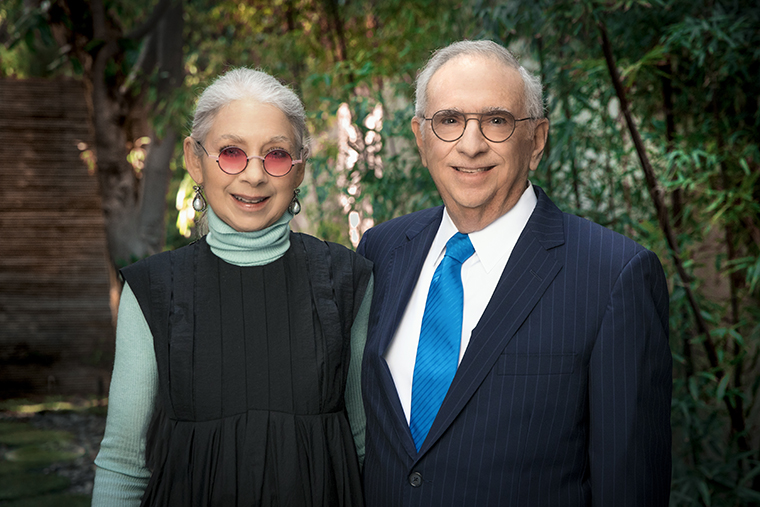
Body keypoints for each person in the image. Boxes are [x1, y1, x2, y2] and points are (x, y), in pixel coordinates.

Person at [357, 40, 672, 506]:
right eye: (448, 121)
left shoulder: (614, 276)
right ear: (421, 138)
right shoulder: (381, 251)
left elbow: (628, 488)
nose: (471, 144)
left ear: (537, 139)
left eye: (497, 121)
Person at [92, 68, 372, 506]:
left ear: (299, 169)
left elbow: (363, 446)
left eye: (276, 155)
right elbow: (124, 464)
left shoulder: (347, 280)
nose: (254, 175)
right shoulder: (153, 291)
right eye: (231, 153)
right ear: (194, 159)